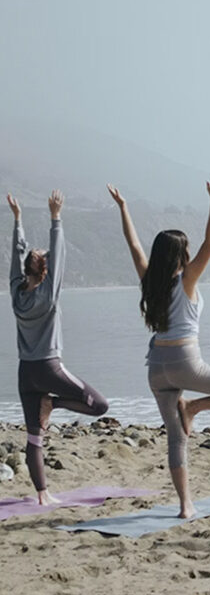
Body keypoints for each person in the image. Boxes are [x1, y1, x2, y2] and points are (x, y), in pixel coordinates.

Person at [108, 174, 210, 519]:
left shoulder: (150, 280)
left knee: (175, 440)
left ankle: (185, 506)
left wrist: (124, 208)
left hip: (155, 370)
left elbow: (133, 246)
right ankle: (194, 407)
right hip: (185, 363)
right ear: (182, 254)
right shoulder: (187, 279)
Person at [7, 190, 109, 505]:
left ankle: (42, 495)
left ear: (26, 272)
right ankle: (55, 404)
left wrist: (18, 220)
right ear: (46, 273)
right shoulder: (49, 295)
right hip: (50, 368)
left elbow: (16, 255)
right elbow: (59, 253)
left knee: (34, 438)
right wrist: (56, 218)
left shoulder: (15, 291)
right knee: (99, 405)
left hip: (26, 373)